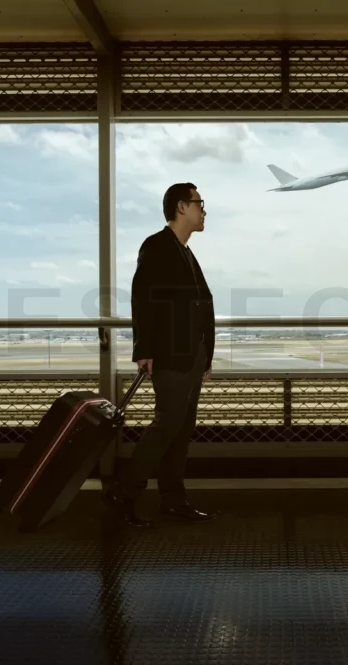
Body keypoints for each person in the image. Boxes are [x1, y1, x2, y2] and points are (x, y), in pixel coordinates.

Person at [102, 182, 218, 528]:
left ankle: (172, 498)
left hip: (191, 355)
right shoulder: (156, 246)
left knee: (181, 430)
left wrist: (205, 355)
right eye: (200, 203)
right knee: (166, 425)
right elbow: (143, 298)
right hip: (170, 354)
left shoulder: (184, 250)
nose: (204, 211)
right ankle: (123, 493)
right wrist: (145, 350)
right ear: (182, 206)